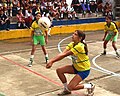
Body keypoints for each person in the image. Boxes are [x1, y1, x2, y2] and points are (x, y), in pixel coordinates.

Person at [46, 30, 95, 95]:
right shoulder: (72, 44)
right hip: (76, 67)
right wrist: (52, 61)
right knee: (59, 71)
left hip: (84, 70)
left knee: (71, 87)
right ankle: (66, 89)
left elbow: (65, 55)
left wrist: (52, 61)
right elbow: (62, 53)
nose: (73, 35)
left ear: (80, 38)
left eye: (75, 34)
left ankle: (90, 86)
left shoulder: (80, 46)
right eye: (73, 34)